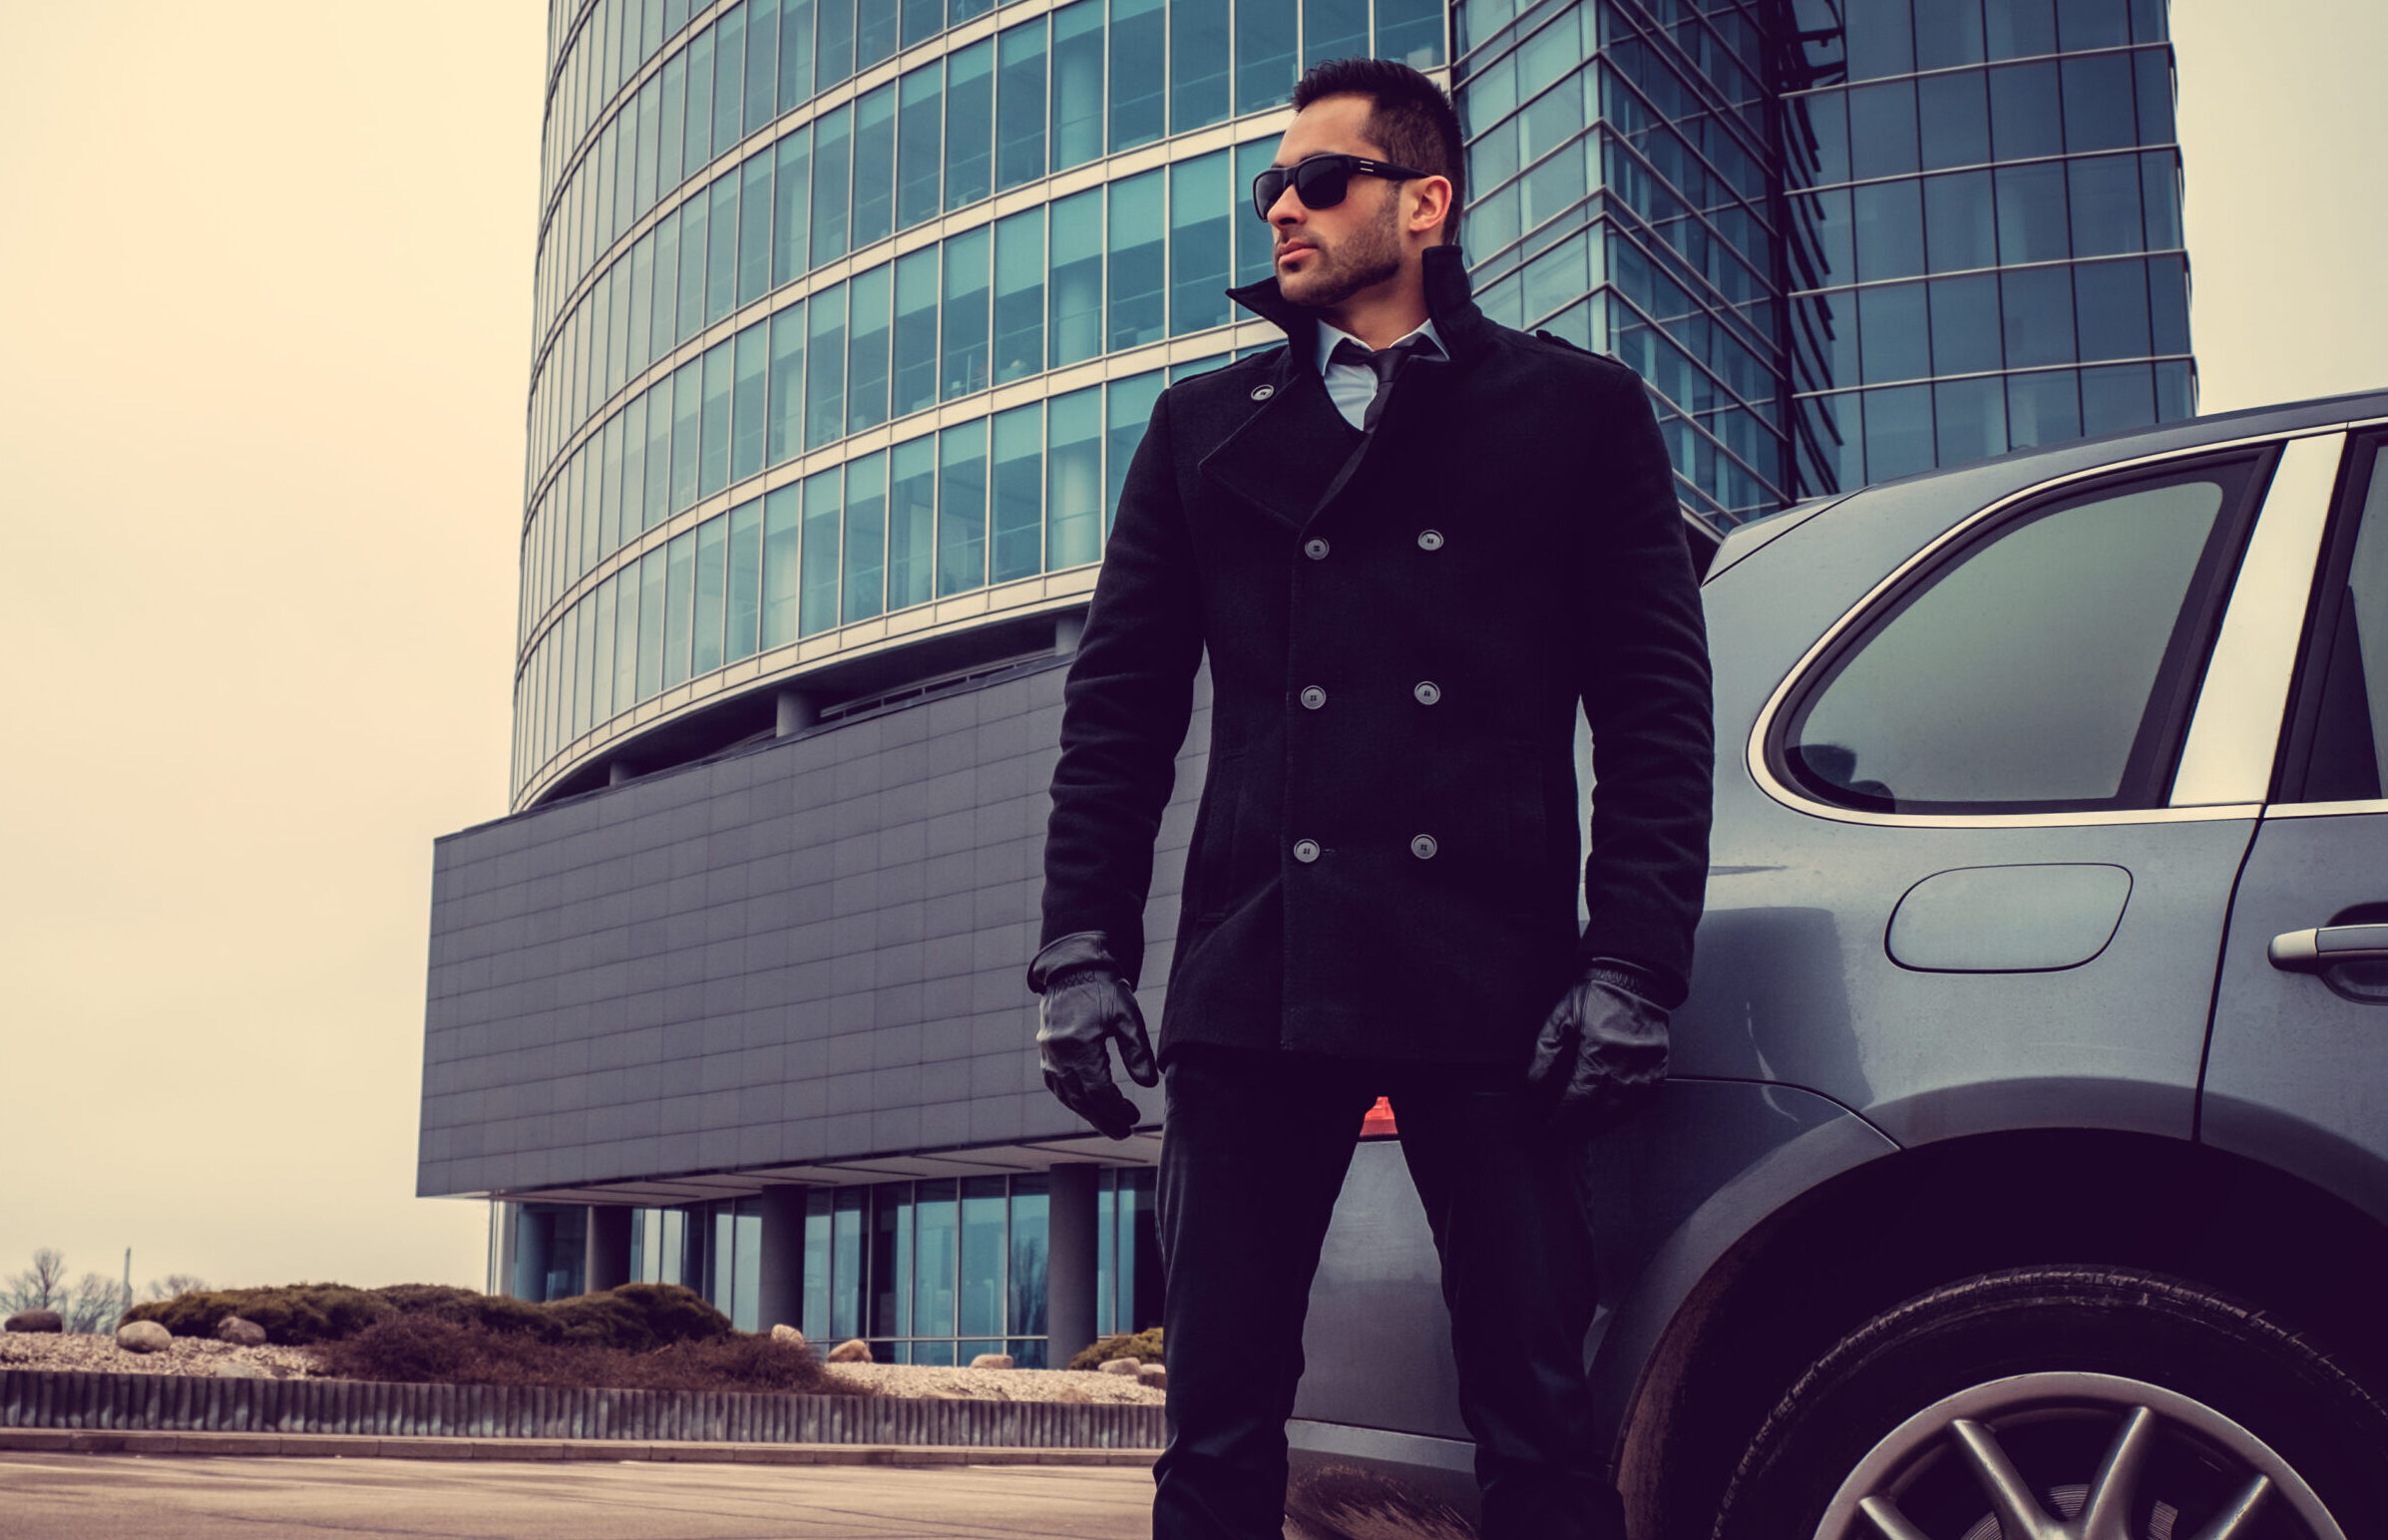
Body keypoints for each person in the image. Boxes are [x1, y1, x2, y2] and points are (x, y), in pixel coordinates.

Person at [1024, 57, 1714, 1540]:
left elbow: (1654, 710)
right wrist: (1079, 952)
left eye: (1316, 178)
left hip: (1497, 976)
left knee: (1538, 1414)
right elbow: (1119, 717)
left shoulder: (1576, 414)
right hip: (1255, 969)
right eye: (1270, 184)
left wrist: (1632, 964)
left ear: (1424, 200)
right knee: (1213, 1429)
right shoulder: (1197, 428)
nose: (1281, 203)